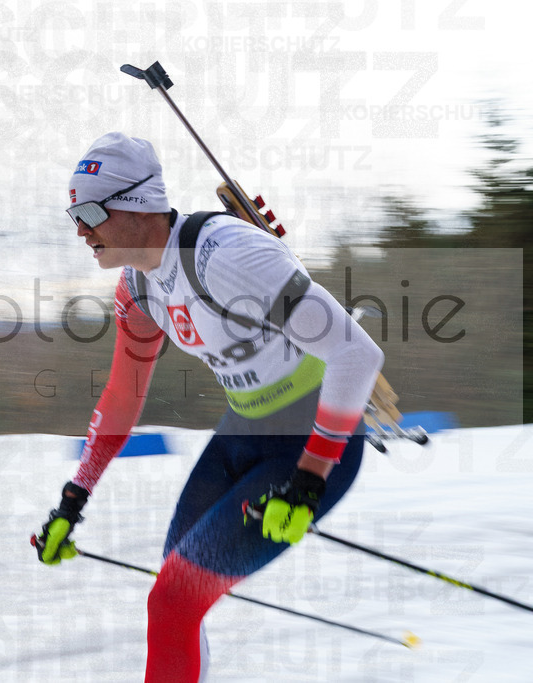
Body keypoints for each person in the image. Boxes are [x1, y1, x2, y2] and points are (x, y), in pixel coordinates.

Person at [35, 132, 384, 681]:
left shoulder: (225, 254)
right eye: (72, 213)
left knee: (173, 602)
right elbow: (123, 397)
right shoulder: (138, 288)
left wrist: (309, 480)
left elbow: (356, 354)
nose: (79, 229)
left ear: (137, 204)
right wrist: (73, 499)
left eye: (88, 211)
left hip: (311, 441)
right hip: (242, 429)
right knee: (172, 600)